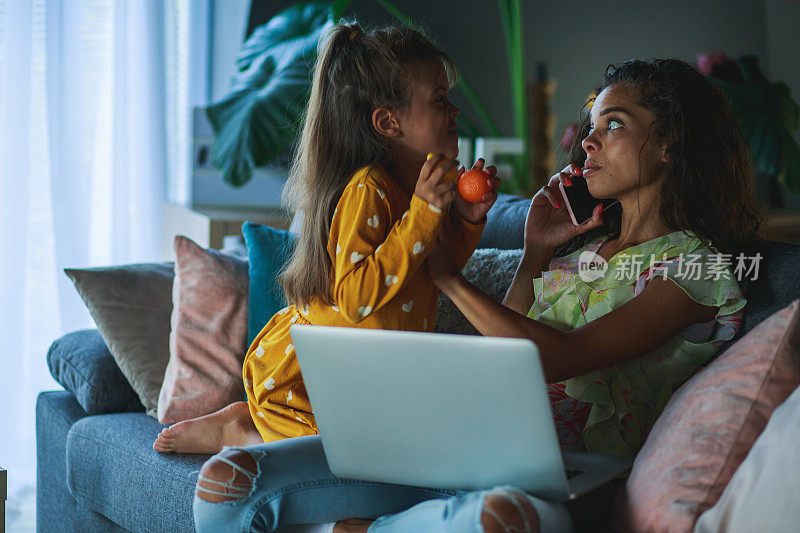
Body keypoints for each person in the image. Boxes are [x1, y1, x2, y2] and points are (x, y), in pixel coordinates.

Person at [191, 57, 763, 533]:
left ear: (669, 145)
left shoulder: (696, 268)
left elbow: (564, 357)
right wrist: (536, 253)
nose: (587, 142)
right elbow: (501, 362)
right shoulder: (579, 257)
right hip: (472, 452)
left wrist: (447, 279)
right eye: (590, 124)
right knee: (225, 493)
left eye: (612, 124)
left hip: (570, 476)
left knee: (512, 521)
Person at [152, 23, 498, 455]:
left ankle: (247, 425)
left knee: (388, 451)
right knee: (339, 453)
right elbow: (355, 297)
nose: (455, 112)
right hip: (319, 376)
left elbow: (437, 269)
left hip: (375, 378)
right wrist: (424, 215)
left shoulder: (422, 194)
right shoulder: (369, 188)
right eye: (440, 99)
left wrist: (465, 220)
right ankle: (238, 429)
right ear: (388, 122)